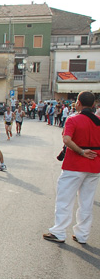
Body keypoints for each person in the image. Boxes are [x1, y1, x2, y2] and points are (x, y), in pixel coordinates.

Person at [43, 92, 100, 244]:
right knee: (86, 201)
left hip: (74, 164)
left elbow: (67, 139)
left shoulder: (73, 119)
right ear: (93, 105)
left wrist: (81, 151)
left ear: (78, 103)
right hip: (94, 165)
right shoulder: (99, 121)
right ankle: (82, 235)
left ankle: (59, 232)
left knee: (65, 199)